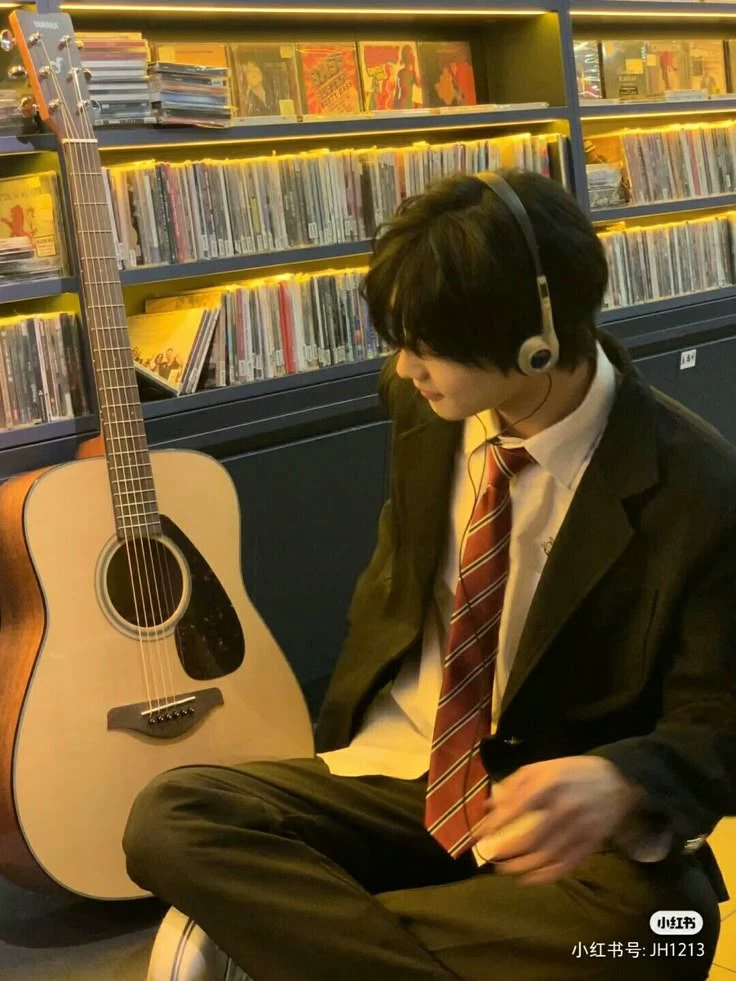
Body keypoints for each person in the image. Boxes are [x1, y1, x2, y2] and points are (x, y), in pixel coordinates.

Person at [123, 170, 736, 981]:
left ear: (535, 336)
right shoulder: (425, 405)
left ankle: (281, 940)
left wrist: (620, 780)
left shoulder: (698, 487)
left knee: (666, 927)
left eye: (428, 342)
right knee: (169, 817)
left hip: (547, 817)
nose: (406, 366)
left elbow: (718, 719)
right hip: (403, 770)